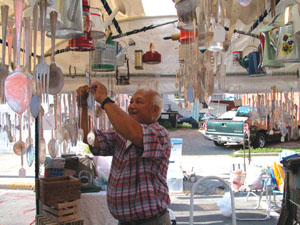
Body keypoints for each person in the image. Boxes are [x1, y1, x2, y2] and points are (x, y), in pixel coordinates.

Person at [76, 81, 171, 225]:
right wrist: (82, 106)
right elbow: (89, 138)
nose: (131, 106)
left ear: (154, 111)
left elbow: (133, 132)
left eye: (138, 102)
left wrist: (105, 100)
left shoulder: (159, 134)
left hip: (151, 221)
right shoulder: (121, 136)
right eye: (131, 101)